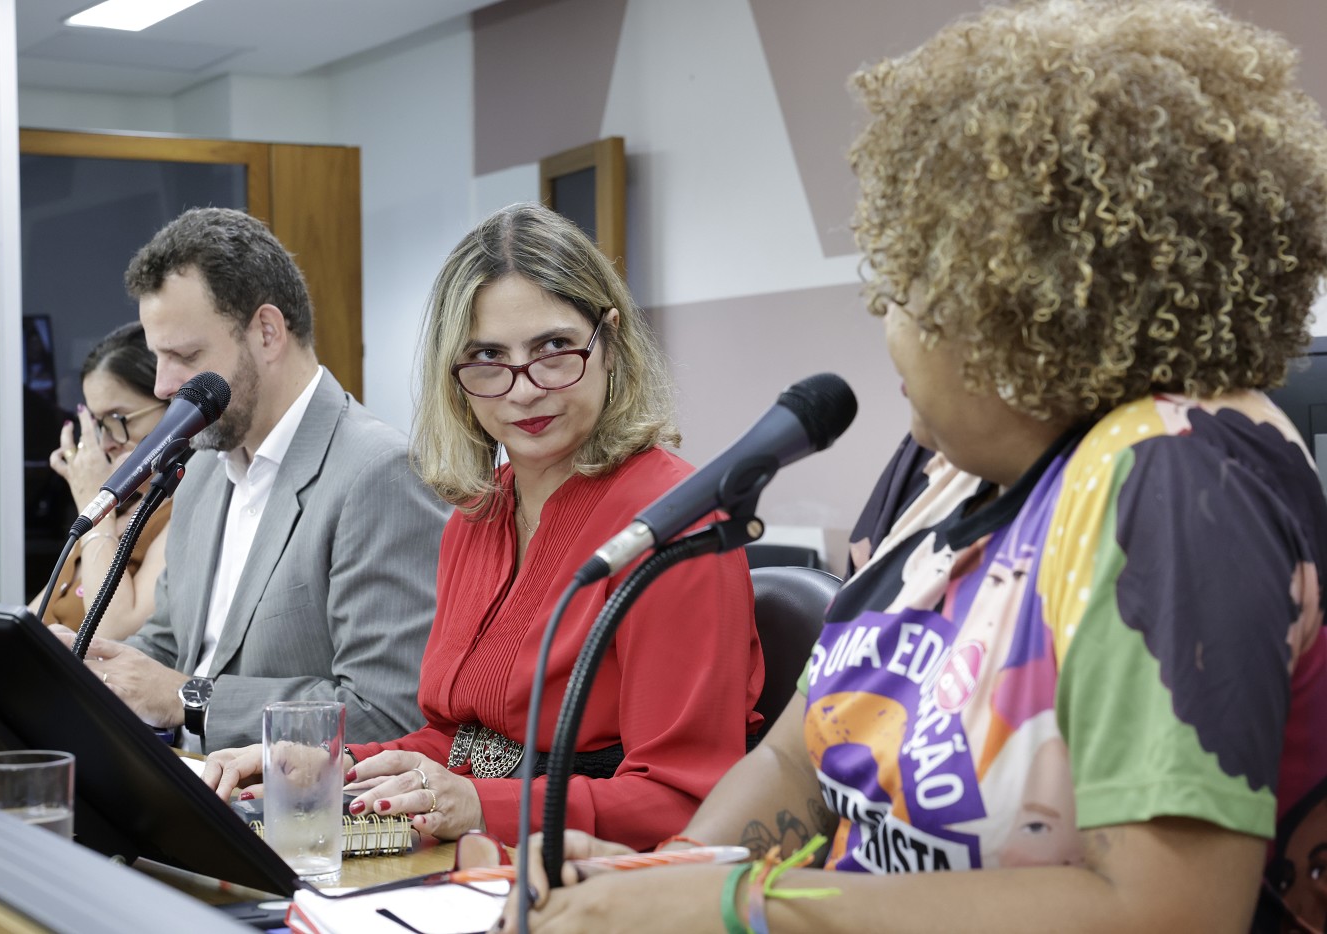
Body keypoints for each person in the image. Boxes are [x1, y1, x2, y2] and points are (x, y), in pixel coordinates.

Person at [493, 2, 1327, 932]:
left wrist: (739, 906)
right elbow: (800, 761)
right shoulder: (942, 471)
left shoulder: (1181, 480)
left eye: (905, 285)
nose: (883, 319)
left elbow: (1163, 913)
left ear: (1020, 302)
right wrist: (664, 883)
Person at [204, 201, 765, 850]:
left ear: (608, 342)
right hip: (480, 863)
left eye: (555, 349)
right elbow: (459, 739)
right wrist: (334, 765)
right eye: (488, 358)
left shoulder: (676, 522)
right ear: (456, 379)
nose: (524, 389)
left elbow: (682, 800)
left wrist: (478, 806)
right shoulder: (478, 513)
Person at [68, 207, 449, 752]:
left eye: (185, 355)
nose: (162, 385)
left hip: (294, 822)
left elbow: (386, 716)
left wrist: (190, 699)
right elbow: (173, 644)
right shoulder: (202, 471)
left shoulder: (378, 472)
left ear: (268, 332)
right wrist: (81, 664)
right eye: (157, 357)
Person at [30, 322, 169, 639]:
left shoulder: (185, 512)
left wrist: (96, 500)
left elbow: (111, 631)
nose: (106, 443)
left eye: (117, 421)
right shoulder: (121, 509)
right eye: (98, 425)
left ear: (173, 411)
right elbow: (28, 623)